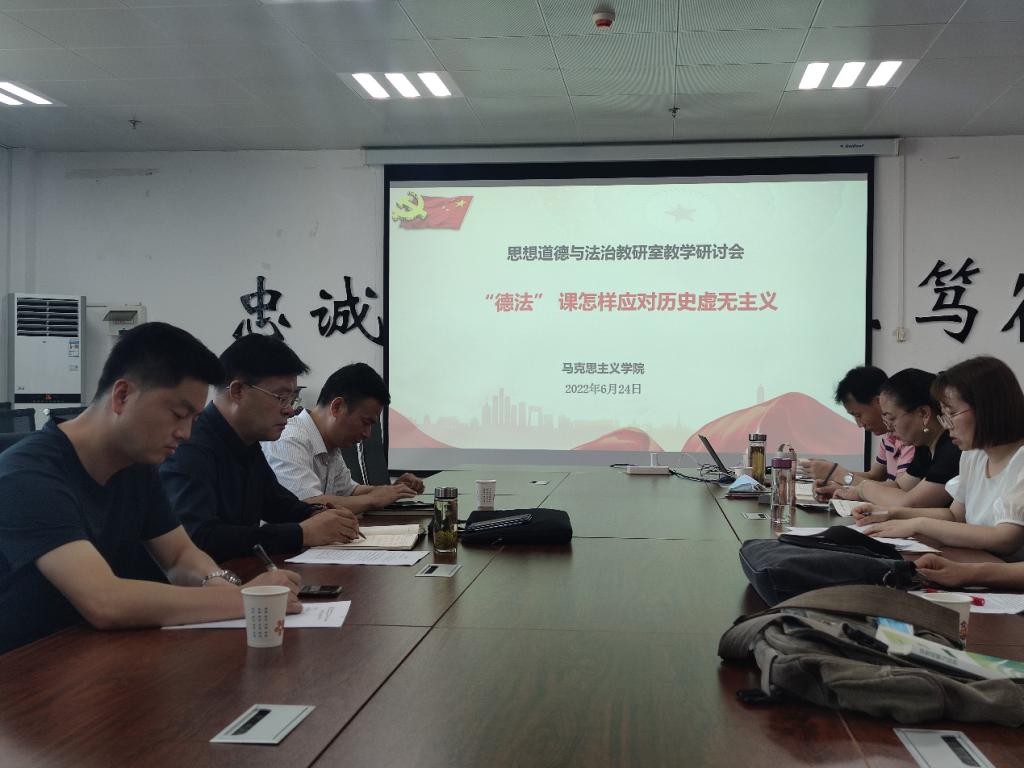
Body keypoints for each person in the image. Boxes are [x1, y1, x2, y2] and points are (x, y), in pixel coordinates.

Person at [0, 322, 301, 655]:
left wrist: (220, 583)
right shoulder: (27, 476)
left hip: (102, 652)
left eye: (194, 419)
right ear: (122, 395)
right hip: (27, 667)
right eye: (178, 414)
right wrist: (246, 598)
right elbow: (105, 601)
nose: (186, 433)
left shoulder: (136, 466)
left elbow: (180, 556)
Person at [160, 334, 360, 563]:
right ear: (238, 391)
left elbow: (278, 504)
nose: (289, 410)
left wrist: (320, 513)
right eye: (281, 397)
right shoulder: (188, 447)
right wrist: (302, 533)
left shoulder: (247, 441)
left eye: (292, 399)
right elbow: (198, 537)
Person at [854, 356, 1024, 559]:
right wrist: (891, 513)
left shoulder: (1019, 460)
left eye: (951, 413)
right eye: (943, 415)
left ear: (987, 407)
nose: (946, 424)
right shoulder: (974, 456)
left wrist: (919, 524)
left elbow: (1004, 539)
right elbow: (954, 515)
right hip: (974, 560)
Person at [263, 363, 424, 513]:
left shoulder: (330, 444)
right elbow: (308, 504)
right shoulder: (289, 439)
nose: (367, 434)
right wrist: (373, 499)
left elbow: (349, 491)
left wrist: (392, 490)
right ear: (337, 407)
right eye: (365, 422)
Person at [829, 368, 960, 507]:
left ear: (923, 413)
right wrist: (847, 491)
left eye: (892, 419)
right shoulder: (924, 447)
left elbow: (909, 503)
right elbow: (900, 486)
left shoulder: (951, 449)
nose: (889, 429)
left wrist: (862, 489)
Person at [801, 365, 915, 489]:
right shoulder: (889, 437)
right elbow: (874, 476)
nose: (859, 424)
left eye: (858, 415)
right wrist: (833, 477)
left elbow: (898, 491)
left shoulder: (910, 438)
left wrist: (836, 474)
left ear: (879, 401)